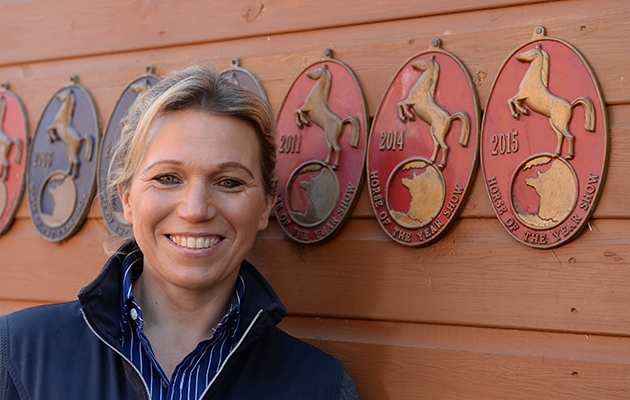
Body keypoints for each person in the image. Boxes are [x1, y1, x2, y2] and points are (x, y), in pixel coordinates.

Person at [0, 66, 360, 399]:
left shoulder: (322, 387)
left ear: (265, 206)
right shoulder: (16, 356)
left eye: (230, 182)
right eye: (167, 178)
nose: (195, 209)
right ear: (126, 198)